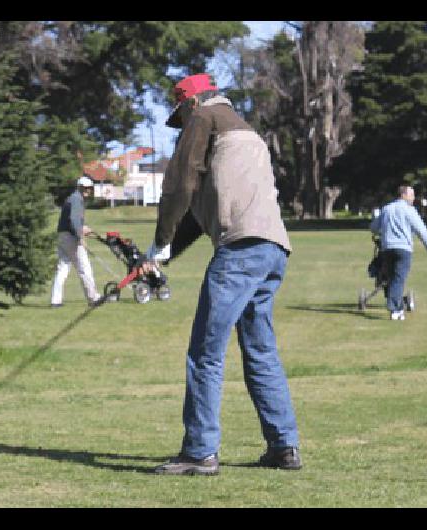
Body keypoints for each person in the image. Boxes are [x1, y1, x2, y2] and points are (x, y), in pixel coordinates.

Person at [140, 73, 301, 476]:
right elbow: (196, 213)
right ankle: (284, 447)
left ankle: (199, 452)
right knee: (261, 351)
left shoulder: (203, 118)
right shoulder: (246, 132)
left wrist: (158, 244)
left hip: (240, 251)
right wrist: (160, 256)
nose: (181, 126)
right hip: (273, 249)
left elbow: (179, 187)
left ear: (191, 103)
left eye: (180, 115)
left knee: (205, 354)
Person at [369, 185, 427, 321]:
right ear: (403, 195)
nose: (413, 198)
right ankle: (395, 310)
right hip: (403, 249)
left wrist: (381, 232)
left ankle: (396, 306)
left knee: (392, 278)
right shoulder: (409, 210)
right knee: (398, 279)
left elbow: (374, 227)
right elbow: (420, 228)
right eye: (411, 195)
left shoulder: (387, 209)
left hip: (387, 249)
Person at [50, 176, 100, 307]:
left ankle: (55, 300)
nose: (89, 191)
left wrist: (84, 228)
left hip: (62, 235)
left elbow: (73, 220)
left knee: (63, 268)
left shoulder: (71, 199)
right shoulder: (77, 200)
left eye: (89, 188)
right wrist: (80, 237)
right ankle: (93, 298)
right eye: (87, 188)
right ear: (81, 188)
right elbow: (74, 221)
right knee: (84, 268)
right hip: (71, 237)